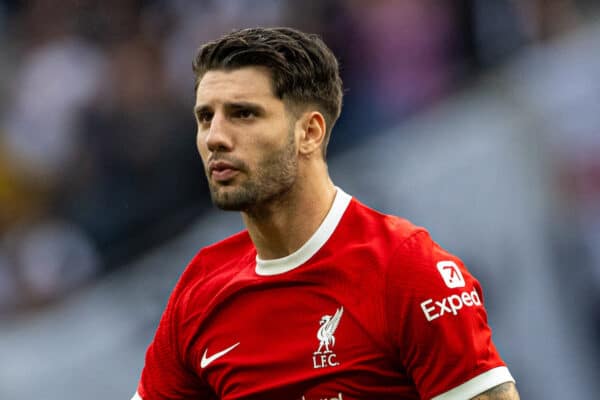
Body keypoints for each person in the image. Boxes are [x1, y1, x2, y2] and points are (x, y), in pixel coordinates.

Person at [132, 27, 520, 400]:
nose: (215, 137)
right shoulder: (199, 292)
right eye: (205, 118)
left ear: (310, 133)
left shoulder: (406, 270)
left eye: (243, 114)